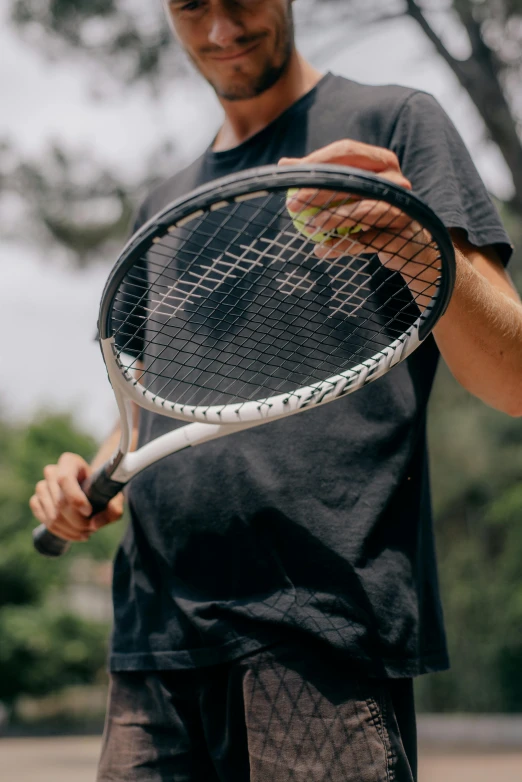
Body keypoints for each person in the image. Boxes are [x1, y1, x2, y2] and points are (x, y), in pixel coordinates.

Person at [30, 1, 522, 780]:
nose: (222, 28)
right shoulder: (163, 204)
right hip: (155, 636)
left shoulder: (394, 122)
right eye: (194, 5)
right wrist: (87, 479)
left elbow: (514, 378)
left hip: (319, 624)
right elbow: (152, 402)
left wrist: (417, 241)